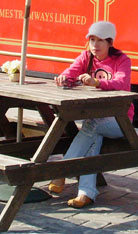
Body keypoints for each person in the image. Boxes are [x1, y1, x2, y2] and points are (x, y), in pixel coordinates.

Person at [51, 20, 133, 208]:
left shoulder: (122, 60)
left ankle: (61, 171)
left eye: (100, 40)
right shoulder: (86, 57)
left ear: (110, 42)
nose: (95, 45)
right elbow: (71, 71)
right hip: (96, 122)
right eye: (92, 40)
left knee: (92, 125)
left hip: (120, 121)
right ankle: (86, 193)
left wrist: (97, 83)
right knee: (93, 136)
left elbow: (121, 83)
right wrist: (64, 78)